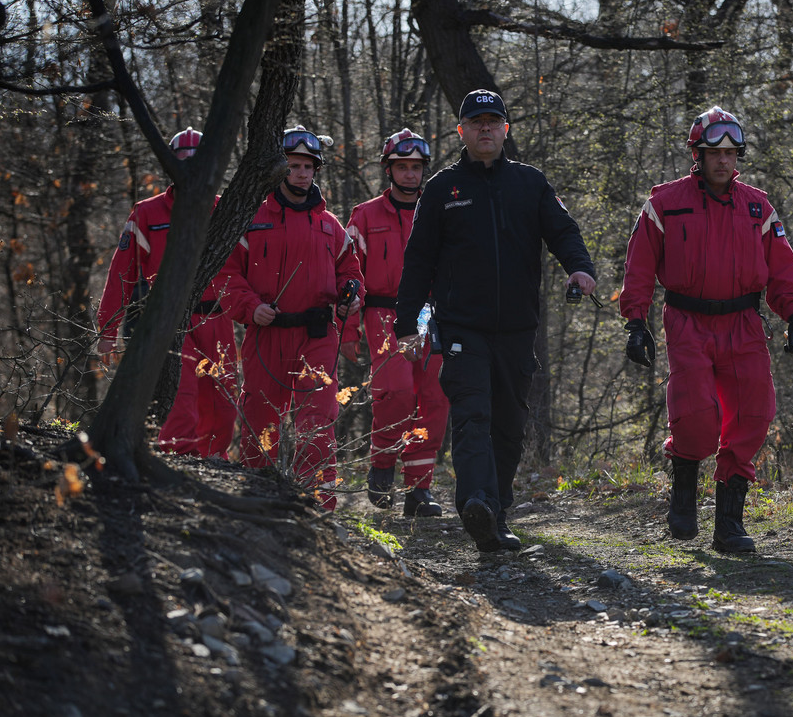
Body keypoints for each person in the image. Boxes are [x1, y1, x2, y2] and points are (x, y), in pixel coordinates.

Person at [393, 89, 597, 552]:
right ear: (460, 131)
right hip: (462, 328)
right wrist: (407, 324)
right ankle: (477, 504)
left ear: (506, 129)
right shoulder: (443, 189)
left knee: (508, 423)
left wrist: (580, 268)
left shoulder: (530, 183)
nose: (485, 128)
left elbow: (563, 231)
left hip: (518, 329)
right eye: (476, 121)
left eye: (493, 121)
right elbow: (418, 259)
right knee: (472, 416)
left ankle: (496, 509)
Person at [619, 106, 793, 553]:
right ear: (697, 154)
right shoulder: (664, 204)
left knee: (753, 415)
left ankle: (729, 525)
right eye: (713, 152)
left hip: (744, 323)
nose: (723, 161)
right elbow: (640, 269)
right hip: (687, 322)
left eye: (731, 152)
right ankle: (683, 487)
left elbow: (783, 269)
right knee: (698, 417)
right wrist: (636, 323)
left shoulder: (758, 207)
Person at [215, 126, 363, 509]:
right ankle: (260, 499)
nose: (301, 173)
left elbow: (352, 272)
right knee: (260, 419)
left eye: (308, 166)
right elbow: (226, 275)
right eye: (293, 165)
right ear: (279, 169)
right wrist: (250, 307)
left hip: (317, 334)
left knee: (317, 421)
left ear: (316, 170)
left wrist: (351, 297)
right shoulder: (250, 219)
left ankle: (319, 505)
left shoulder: (331, 225)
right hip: (266, 335)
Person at [95, 127, 238, 458]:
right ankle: (180, 463)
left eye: (197, 161)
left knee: (224, 402)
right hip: (170, 321)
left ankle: (213, 463)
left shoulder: (228, 210)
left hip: (217, 319)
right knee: (181, 400)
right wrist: (108, 328)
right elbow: (122, 273)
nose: (190, 167)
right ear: (171, 166)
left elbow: (252, 265)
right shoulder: (148, 213)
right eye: (182, 161)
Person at [344, 129, 448, 517]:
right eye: (402, 167)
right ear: (389, 170)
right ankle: (383, 462)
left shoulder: (439, 209)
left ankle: (419, 490)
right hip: (382, 314)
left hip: (433, 314)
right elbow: (350, 274)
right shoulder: (366, 214)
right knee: (398, 392)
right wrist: (349, 329)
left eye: (415, 167)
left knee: (435, 399)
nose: (409, 174)